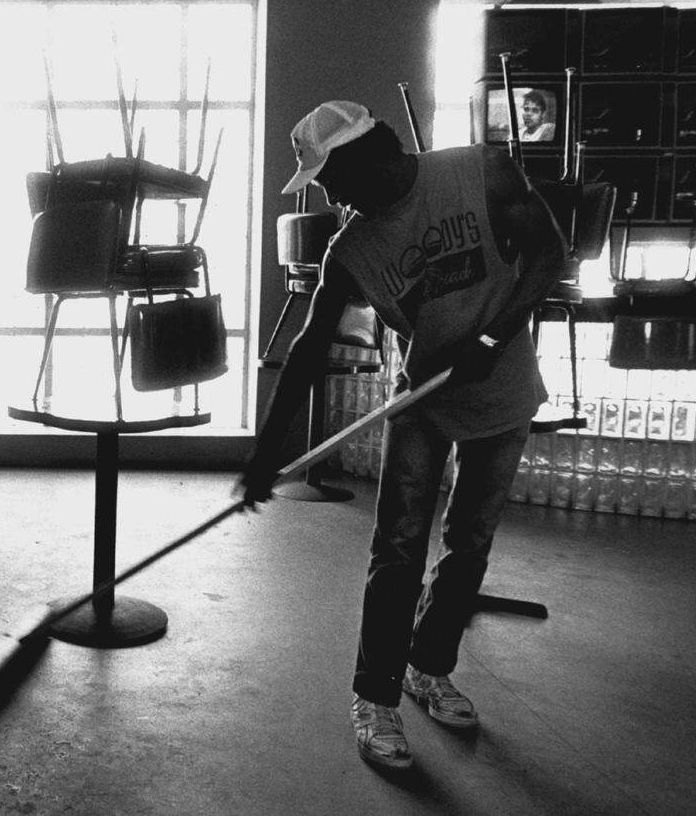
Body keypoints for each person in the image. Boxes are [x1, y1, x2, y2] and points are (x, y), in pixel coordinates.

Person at [239, 100, 566, 772]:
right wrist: (265, 455)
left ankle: (428, 666)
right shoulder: (351, 249)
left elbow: (549, 252)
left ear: (365, 158)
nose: (327, 194)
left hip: (502, 395)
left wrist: (490, 336)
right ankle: (376, 696)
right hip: (423, 401)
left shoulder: (479, 172)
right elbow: (306, 350)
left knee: (470, 542)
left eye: (329, 177)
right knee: (397, 548)